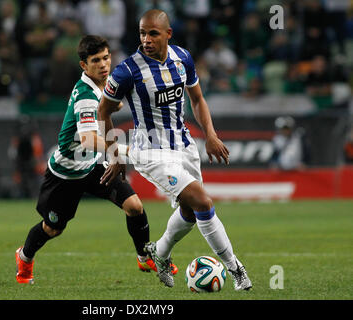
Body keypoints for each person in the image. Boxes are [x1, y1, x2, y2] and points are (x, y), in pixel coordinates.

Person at [98, 9, 252, 290]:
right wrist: (114, 153)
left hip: (184, 146)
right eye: (142, 33)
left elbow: (198, 98)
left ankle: (159, 251)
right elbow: (103, 111)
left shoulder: (182, 58)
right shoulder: (127, 71)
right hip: (151, 152)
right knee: (203, 202)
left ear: (168, 34)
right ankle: (236, 269)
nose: (146, 39)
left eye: (153, 33)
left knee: (191, 212)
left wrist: (211, 135)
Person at [15, 35, 177, 284]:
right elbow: (89, 140)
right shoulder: (85, 97)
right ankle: (24, 258)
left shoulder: (104, 84)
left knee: (134, 206)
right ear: (84, 65)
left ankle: (145, 256)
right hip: (66, 173)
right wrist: (124, 151)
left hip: (91, 166)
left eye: (105, 58)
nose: (103, 64)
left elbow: (109, 108)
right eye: (95, 61)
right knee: (52, 228)